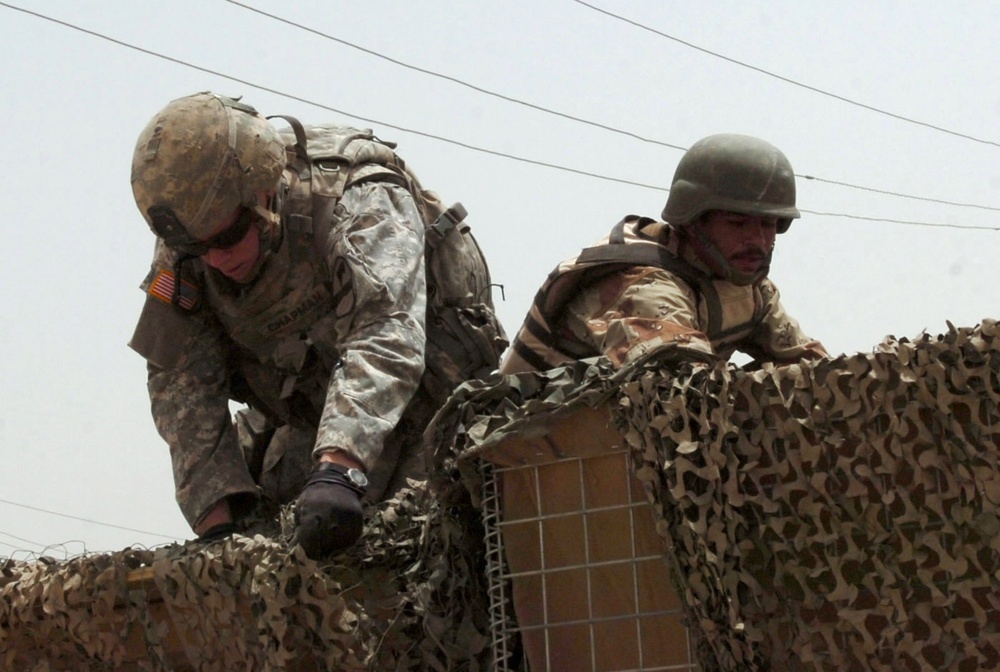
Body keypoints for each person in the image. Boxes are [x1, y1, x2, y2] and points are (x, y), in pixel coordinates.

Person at [128, 92, 501, 559]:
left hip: (432, 405)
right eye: (197, 248)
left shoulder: (360, 197)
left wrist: (340, 469)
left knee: (432, 550)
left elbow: (384, 331)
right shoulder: (192, 235)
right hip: (310, 418)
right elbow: (180, 382)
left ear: (263, 191)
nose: (215, 260)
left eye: (227, 237)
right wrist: (216, 519)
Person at [500, 133, 828, 375]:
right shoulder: (644, 286)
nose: (757, 239)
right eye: (737, 223)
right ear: (693, 220)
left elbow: (815, 370)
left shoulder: (745, 283)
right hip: (539, 452)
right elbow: (689, 398)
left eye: (769, 224)